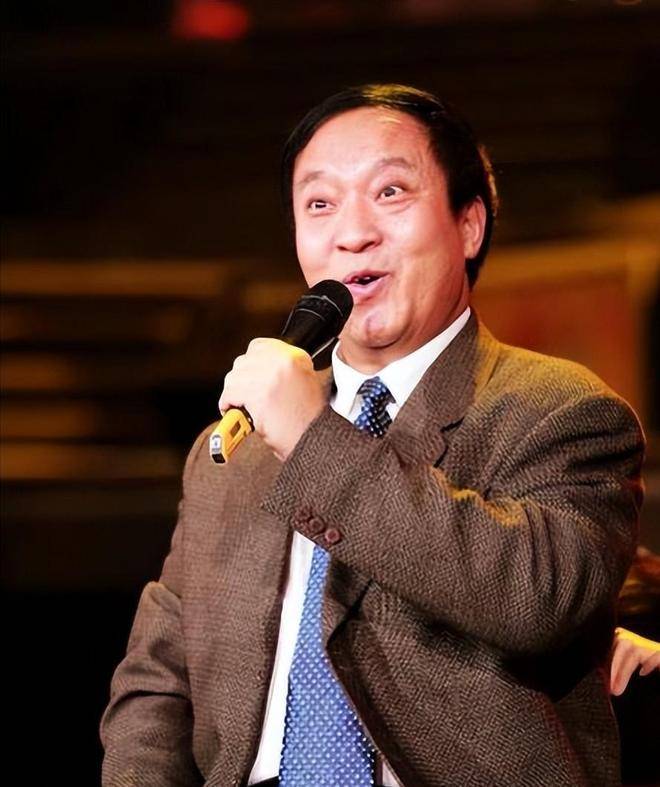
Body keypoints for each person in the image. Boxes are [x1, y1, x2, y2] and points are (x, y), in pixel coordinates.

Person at [100, 84, 646, 787]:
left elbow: (534, 600)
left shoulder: (561, 411)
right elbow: (158, 681)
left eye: (390, 192)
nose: (352, 232)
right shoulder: (233, 449)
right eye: (319, 204)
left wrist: (315, 441)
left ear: (469, 226)